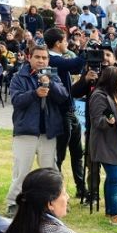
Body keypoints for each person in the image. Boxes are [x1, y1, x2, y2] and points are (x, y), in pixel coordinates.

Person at [6, 45, 70, 217]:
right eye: (37, 57)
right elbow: (16, 100)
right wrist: (35, 93)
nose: (41, 61)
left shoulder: (53, 75)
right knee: (21, 170)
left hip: (48, 133)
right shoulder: (19, 77)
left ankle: (57, 202)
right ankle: (13, 202)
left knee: (50, 171)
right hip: (25, 131)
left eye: (44, 58)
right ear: (30, 58)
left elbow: (63, 96)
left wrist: (50, 84)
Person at [44, 28, 87, 202]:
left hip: (71, 112)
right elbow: (76, 64)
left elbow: (75, 71)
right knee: (59, 156)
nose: (67, 44)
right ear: (57, 43)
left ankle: (81, 189)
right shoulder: (52, 60)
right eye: (65, 41)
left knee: (78, 153)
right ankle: (57, 193)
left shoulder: (59, 59)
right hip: (60, 115)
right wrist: (83, 48)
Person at [88, 66, 117, 225]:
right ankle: (115, 214)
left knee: (113, 177)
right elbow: (97, 120)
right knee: (115, 178)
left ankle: (110, 210)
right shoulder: (99, 96)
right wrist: (108, 121)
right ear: (112, 80)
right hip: (106, 143)